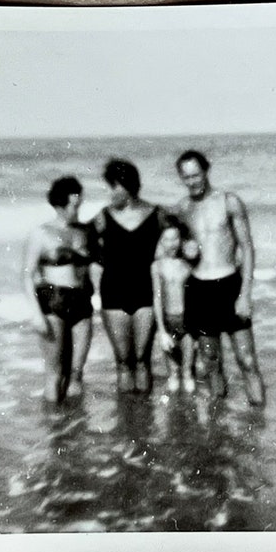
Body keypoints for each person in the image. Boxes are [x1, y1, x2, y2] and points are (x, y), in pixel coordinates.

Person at [175, 150, 265, 406]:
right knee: (210, 361)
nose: (192, 181)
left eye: (196, 175)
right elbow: (174, 250)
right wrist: (184, 252)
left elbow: (247, 248)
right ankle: (219, 429)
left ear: (206, 171)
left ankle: (259, 425)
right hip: (199, 290)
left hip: (229, 286)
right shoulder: (182, 209)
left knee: (247, 360)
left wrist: (245, 294)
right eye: (186, 177)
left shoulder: (229, 201)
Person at [91, 159, 168, 394]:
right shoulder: (102, 217)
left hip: (147, 295)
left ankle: (144, 424)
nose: (110, 192)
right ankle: (127, 426)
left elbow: (181, 241)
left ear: (128, 186)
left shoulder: (157, 215)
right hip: (113, 295)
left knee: (143, 360)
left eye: (113, 186)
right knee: (123, 363)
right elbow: (87, 254)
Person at [23, 176, 94, 404]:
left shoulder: (84, 231)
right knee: (55, 373)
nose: (78, 211)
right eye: (74, 206)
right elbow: (27, 274)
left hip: (82, 301)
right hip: (54, 301)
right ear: (59, 205)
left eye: (80, 205)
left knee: (76, 373)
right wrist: (36, 314)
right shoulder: (41, 233)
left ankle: (73, 429)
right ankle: (55, 431)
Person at [151, 224, 196, 393]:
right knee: (174, 374)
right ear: (161, 242)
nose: (172, 243)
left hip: (188, 321)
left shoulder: (188, 265)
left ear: (181, 240)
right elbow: (157, 297)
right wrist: (162, 331)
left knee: (188, 372)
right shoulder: (157, 266)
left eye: (175, 239)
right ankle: (174, 414)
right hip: (169, 320)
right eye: (167, 239)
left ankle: (192, 413)